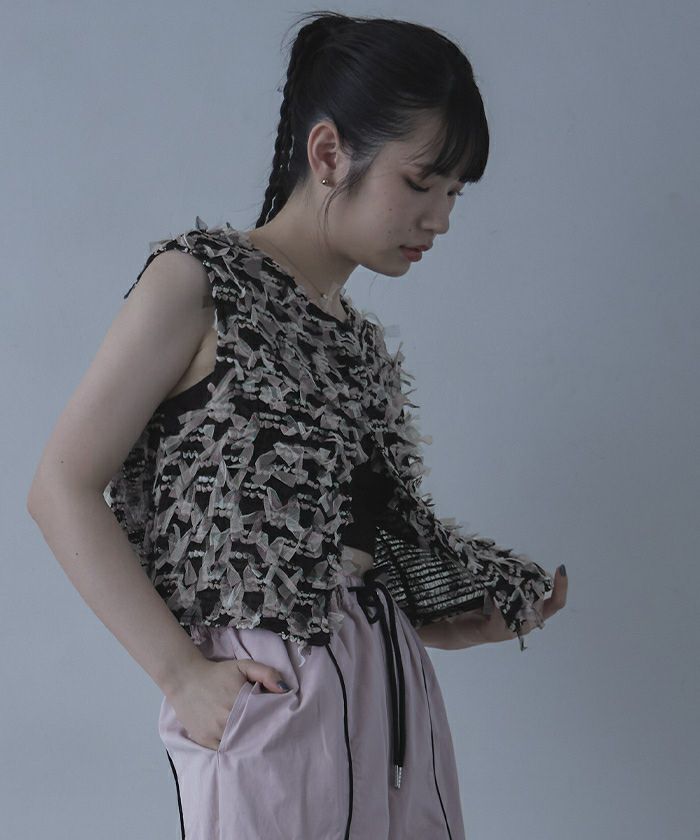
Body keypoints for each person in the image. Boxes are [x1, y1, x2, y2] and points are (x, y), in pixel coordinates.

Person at [27, 10, 568, 840]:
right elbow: (60, 488)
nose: (440, 219)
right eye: (421, 182)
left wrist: (456, 621)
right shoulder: (200, 283)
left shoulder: (359, 345)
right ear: (329, 154)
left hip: (394, 700)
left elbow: (334, 547)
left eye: (455, 193)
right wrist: (181, 675)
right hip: (268, 697)